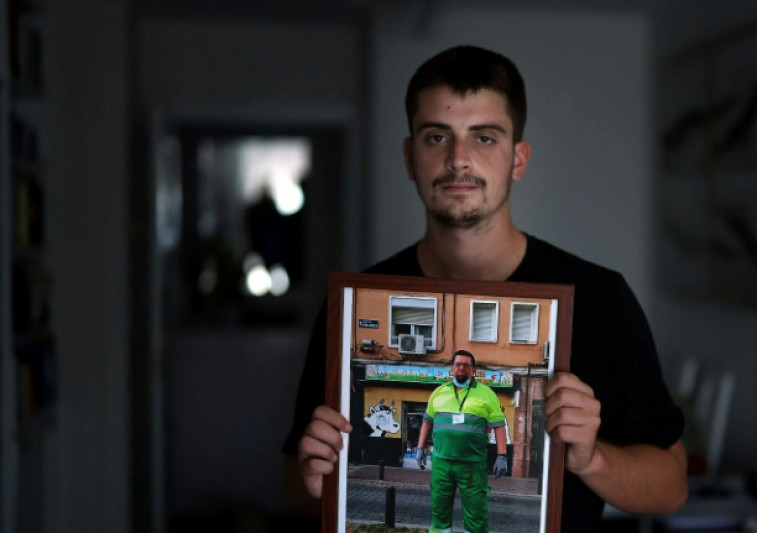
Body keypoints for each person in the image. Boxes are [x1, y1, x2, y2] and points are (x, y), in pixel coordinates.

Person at [282, 44, 688, 529]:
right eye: (437, 137)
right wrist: (315, 483)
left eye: (484, 138)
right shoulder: (352, 305)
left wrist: (590, 459)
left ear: (518, 159)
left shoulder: (601, 300)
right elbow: (298, 482)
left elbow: (671, 487)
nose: (458, 159)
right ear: (411, 157)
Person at [413, 350, 507, 532]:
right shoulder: (438, 393)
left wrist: (502, 455)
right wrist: (420, 447)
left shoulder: (487, 394)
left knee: (475, 514)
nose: (461, 368)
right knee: (439, 511)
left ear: (473, 370)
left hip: (472, 465)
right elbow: (427, 421)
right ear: (452, 368)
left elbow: (499, 425)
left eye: (466, 365)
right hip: (442, 462)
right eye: (458, 364)